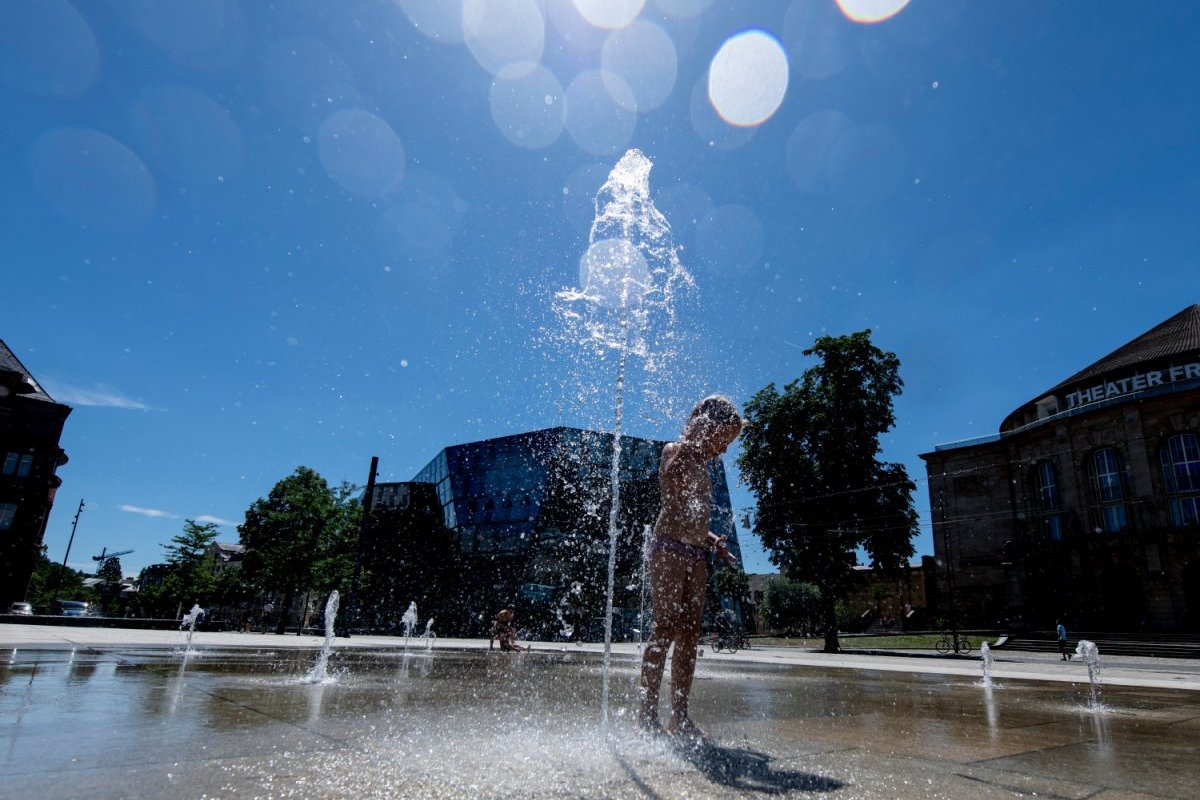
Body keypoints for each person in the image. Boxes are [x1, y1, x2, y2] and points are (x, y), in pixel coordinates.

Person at [639, 395, 742, 743]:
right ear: (706, 428)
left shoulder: (705, 468)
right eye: (723, 440)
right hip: (668, 547)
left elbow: (694, 518)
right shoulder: (675, 450)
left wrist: (713, 541)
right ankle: (646, 715)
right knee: (665, 625)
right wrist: (691, 440)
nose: (723, 450)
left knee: (689, 634)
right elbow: (671, 487)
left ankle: (679, 717)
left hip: (697, 554)